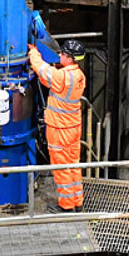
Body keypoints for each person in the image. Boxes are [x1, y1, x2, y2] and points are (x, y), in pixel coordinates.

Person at [28, 40, 86, 213]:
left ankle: (66, 205)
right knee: (73, 164)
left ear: (69, 58)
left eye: (62, 54)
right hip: (73, 127)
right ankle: (77, 201)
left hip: (59, 128)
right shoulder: (79, 75)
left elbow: (42, 70)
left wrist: (33, 52)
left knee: (61, 167)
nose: (59, 55)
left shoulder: (62, 77)